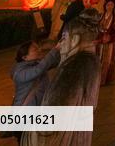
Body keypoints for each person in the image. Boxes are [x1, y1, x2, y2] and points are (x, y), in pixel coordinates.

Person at [23, 9, 101, 146]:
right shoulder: (92, 61)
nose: (61, 44)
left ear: (75, 40)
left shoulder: (72, 68)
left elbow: (50, 126)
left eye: (64, 38)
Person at [11, 38, 60, 106]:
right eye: (35, 49)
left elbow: (55, 63)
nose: (39, 50)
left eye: (38, 47)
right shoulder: (18, 73)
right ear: (25, 57)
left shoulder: (36, 63)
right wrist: (55, 50)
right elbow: (38, 70)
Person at [96, 0, 115, 86]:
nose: (109, 7)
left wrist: (110, 38)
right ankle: (98, 79)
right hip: (100, 42)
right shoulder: (101, 16)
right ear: (105, 6)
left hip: (110, 42)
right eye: (108, 5)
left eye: (111, 5)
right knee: (99, 60)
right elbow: (97, 28)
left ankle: (104, 80)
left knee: (107, 61)